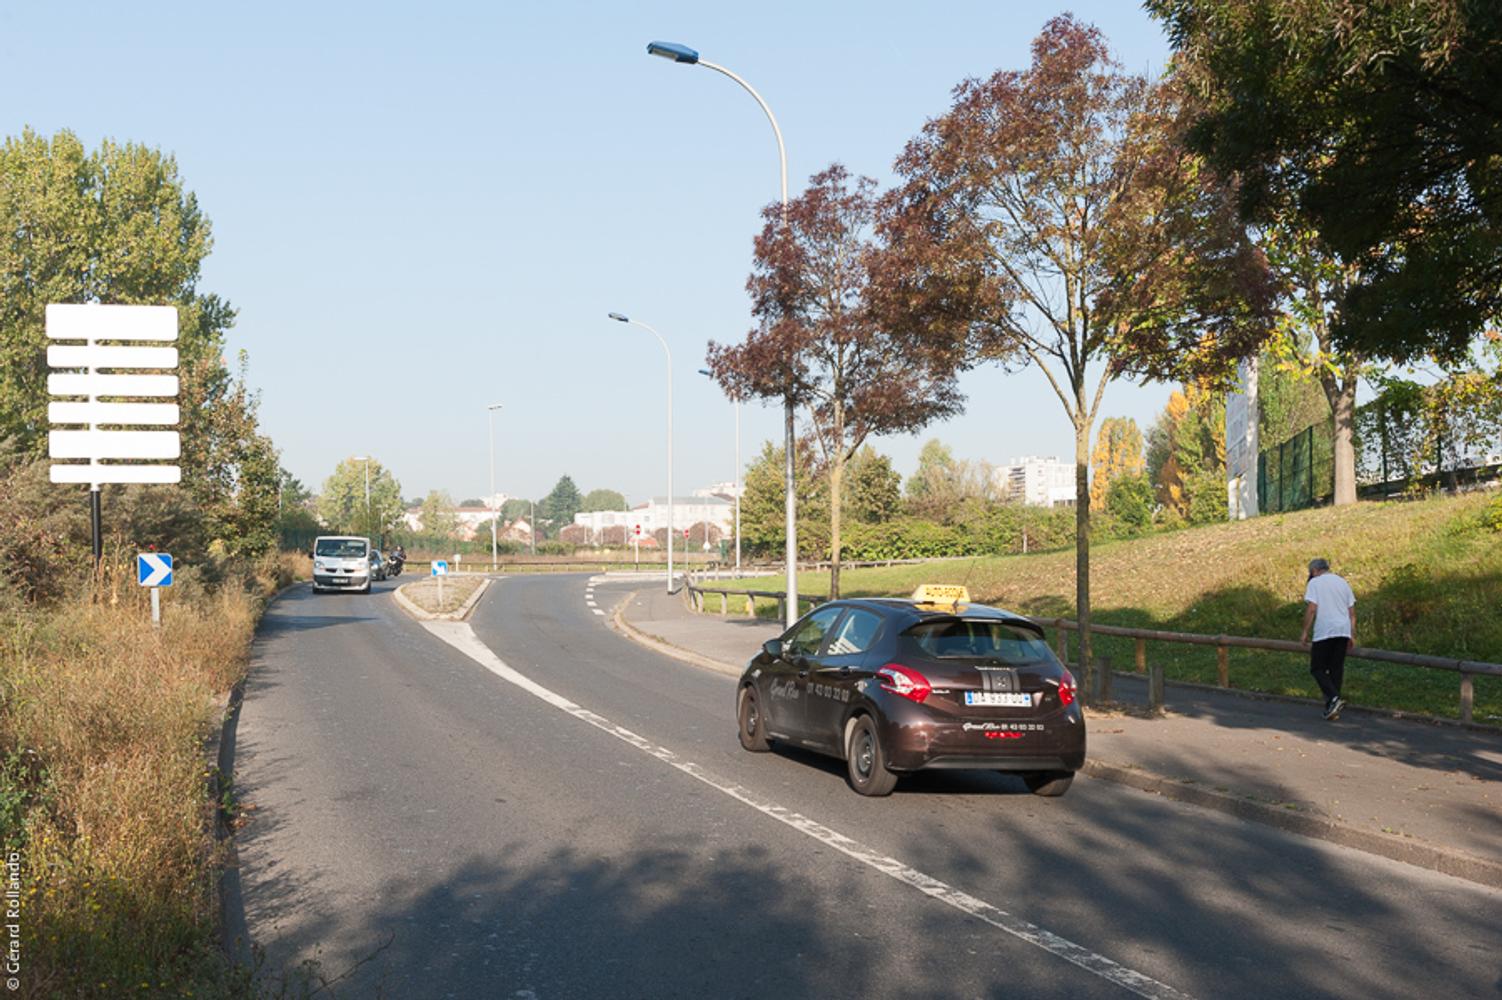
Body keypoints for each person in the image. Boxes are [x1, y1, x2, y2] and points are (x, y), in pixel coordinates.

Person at [1300, 557, 1356, 720]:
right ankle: (1332, 708)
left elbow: (1311, 609)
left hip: (1325, 630)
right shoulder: (1342, 582)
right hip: (1343, 630)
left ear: (1314, 571)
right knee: (1336, 669)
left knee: (1317, 668)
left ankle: (1333, 698)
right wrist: (1352, 634)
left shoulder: (1315, 583)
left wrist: (1304, 632)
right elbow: (1352, 612)